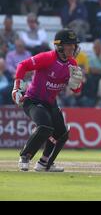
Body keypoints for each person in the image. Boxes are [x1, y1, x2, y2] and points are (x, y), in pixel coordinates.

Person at [12, 29, 84, 172]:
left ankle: (44, 163)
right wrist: (17, 87)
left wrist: (77, 83)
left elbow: (76, 91)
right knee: (45, 127)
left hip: (50, 102)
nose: (72, 48)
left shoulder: (72, 64)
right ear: (59, 46)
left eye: (73, 45)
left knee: (62, 133)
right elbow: (23, 65)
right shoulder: (48, 58)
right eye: (68, 44)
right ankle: (25, 156)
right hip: (32, 100)